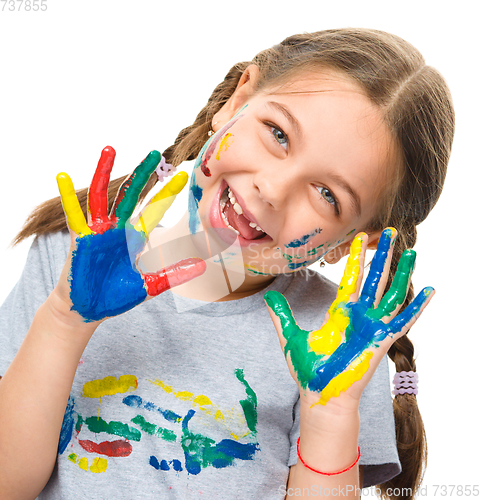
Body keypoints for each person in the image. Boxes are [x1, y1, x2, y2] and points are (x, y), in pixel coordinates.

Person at [0, 28, 454, 500]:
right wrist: (63, 321)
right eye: (278, 134)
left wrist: (330, 415)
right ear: (236, 102)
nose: (273, 190)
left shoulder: (336, 348)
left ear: (352, 244)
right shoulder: (72, 261)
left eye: (326, 195)